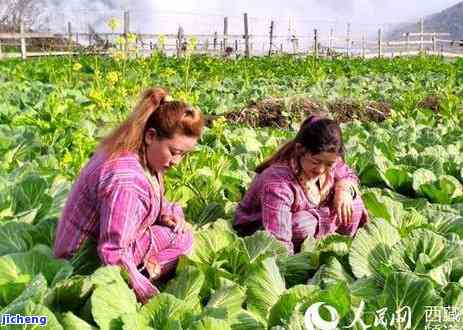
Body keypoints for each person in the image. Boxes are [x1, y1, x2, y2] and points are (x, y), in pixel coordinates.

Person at [53, 87, 204, 303]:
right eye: (175, 152)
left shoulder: (142, 154)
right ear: (151, 136)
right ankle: (137, 279)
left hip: (95, 245)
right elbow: (113, 251)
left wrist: (169, 214)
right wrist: (147, 296)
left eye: (184, 155)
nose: (177, 161)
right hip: (82, 263)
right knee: (182, 241)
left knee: (182, 233)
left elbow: (157, 199)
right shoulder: (126, 180)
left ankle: (140, 274)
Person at [233, 115, 368, 254]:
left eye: (329, 164)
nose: (321, 170)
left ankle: (339, 253)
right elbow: (278, 241)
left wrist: (343, 189)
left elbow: (348, 174)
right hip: (261, 229)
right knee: (302, 224)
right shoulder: (278, 182)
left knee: (354, 204)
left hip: (312, 220)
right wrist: (295, 268)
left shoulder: (329, 160)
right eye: (315, 162)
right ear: (300, 150)